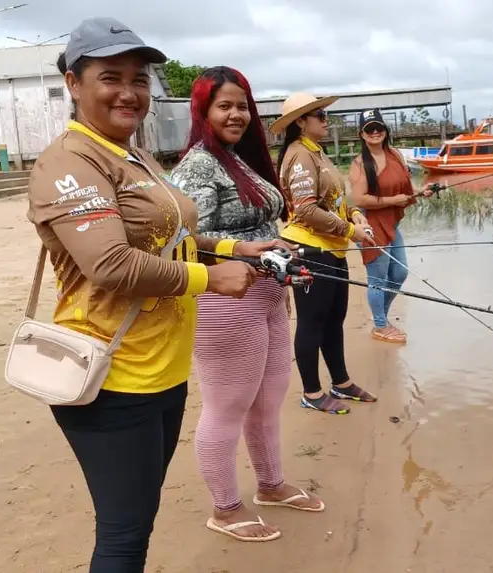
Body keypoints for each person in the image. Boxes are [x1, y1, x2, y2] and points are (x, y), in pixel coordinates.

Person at [25, 18, 279, 572]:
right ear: (73, 83)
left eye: (139, 79)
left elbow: (175, 238)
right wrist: (210, 279)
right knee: (124, 535)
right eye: (110, 77)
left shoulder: (134, 154)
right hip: (109, 377)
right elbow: (110, 263)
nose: (129, 91)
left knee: (138, 523)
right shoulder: (70, 160)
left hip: (162, 369)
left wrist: (235, 249)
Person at [168, 66, 324, 543]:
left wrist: (280, 247)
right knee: (227, 406)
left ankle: (271, 485)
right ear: (203, 111)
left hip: (269, 293)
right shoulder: (198, 164)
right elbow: (183, 235)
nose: (236, 114)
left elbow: (257, 223)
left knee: (269, 398)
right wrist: (244, 251)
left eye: (242, 105)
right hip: (225, 299)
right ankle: (226, 508)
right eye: (224, 105)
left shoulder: (241, 159)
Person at [270, 92, 377, 415]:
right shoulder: (299, 155)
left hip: (333, 250)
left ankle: (341, 382)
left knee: (334, 319)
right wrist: (348, 230)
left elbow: (333, 201)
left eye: (325, 114)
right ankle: (312, 392)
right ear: (300, 122)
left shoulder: (317, 152)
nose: (326, 119)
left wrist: (353, 216)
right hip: (311, 251)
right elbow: (305, 210)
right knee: (312, 323)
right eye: (319, 115)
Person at [349, 109, 434, 343]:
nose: (375, 132)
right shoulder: (359, 164)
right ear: (362, 134)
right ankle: (380, 325)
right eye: (369, 129)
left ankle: (382, 318)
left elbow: (404, 188)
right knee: (377, 279)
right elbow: (359, 199)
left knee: (399, 273)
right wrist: (392, 201)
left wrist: (419, 192)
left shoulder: (395, 154)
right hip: (370, 225)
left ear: (386, 131)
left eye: (379, 127)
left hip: (391, 222)